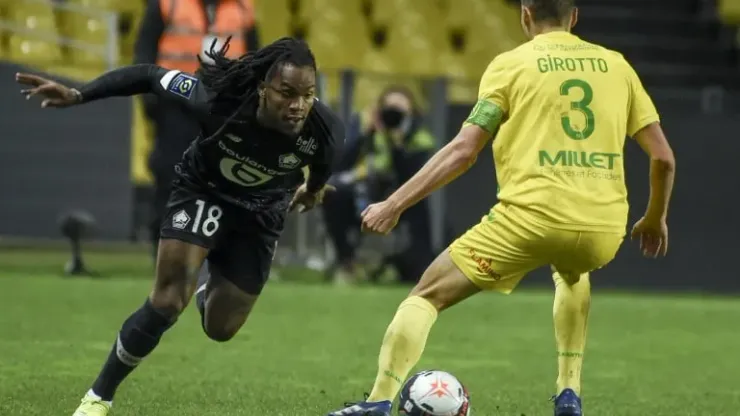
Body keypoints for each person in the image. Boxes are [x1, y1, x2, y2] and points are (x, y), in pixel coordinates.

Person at [326, 0, 675, 415]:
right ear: (574, 16)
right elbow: (663, 158)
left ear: (525, 15)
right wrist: (654, 218)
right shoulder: (618, 66)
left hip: (529, 221)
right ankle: (569, 393)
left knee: (427, 294)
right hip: (603, 229)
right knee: (573, 270)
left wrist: (394, 203)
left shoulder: (511, 65)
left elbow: (464, 150)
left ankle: (379, 401)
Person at [16, 36, 342, 416]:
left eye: (307, 95)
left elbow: (322, 168)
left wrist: (311, 191)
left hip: (260, 214)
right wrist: (79, 94)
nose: (298, 105)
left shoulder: (324, 131)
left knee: (221, 328)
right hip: (205, 191)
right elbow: (149, 75)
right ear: (262, 88)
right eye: (287, 93)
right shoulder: (216, 99)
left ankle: (206, 283)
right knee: (168, 300)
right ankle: (98, 398)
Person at [134, 0, 261, 257]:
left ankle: (217, 253)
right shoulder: (167, 4)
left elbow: (256, 60)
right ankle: (165, 250)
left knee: (224, 180)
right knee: (171, 175)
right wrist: (151, 100)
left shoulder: (243, 8)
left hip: (223, 109)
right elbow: (144, 51)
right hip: (175, 106)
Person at [322, 86, 436, 285]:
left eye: (399, 112)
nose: (393, 116)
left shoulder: (419, 137)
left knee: (421, 205)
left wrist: (397, 143)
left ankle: (420, 268)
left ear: (411, 113)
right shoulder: (367, 127)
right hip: (366, 194)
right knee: (333, 192)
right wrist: (366, 134)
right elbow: (341, 163)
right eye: (389, 110)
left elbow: (414, 178)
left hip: (402, 199)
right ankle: (347, 262)